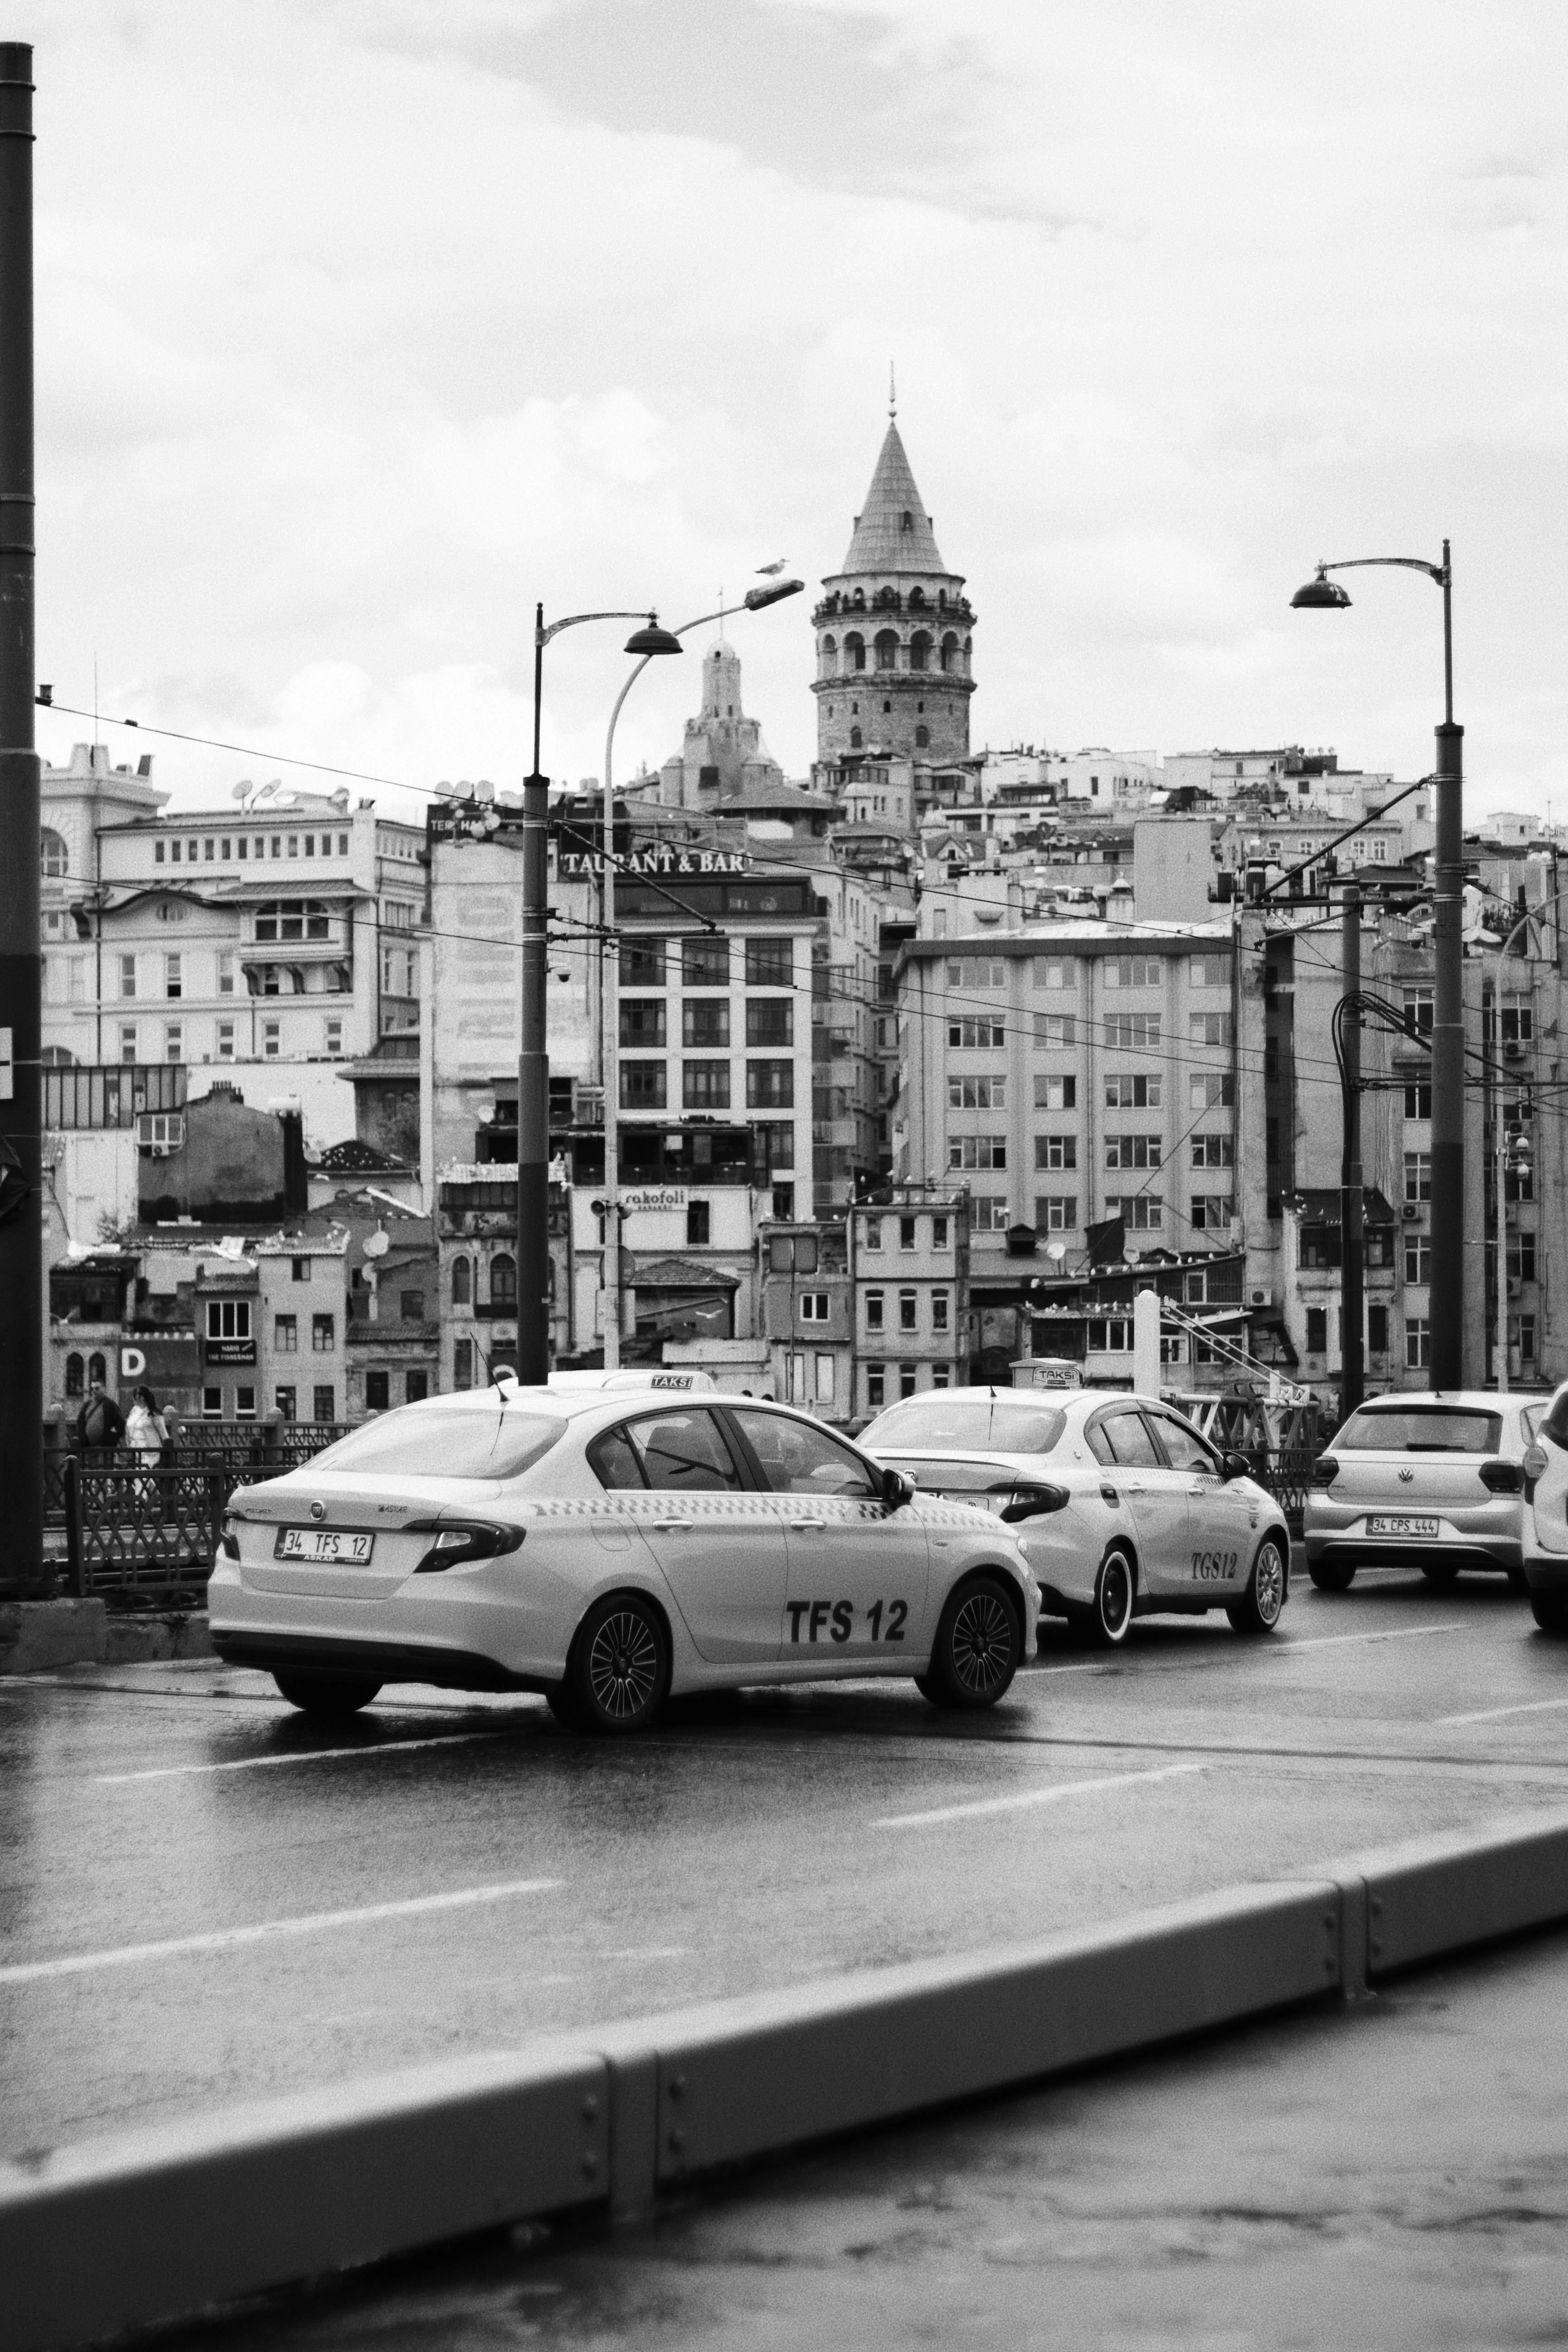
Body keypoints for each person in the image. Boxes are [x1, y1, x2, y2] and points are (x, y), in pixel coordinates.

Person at [74, 1380, 125, 1450]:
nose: (94, 1391)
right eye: (92, 1389)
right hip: (89, 1449)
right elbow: (80, 1423)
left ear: (103, 1389)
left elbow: (121, 1423)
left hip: (105, 1449)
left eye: (97, 1388)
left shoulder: (110, 1405)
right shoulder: (87, 1405)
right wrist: (82, 1440)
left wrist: (112, 1439)